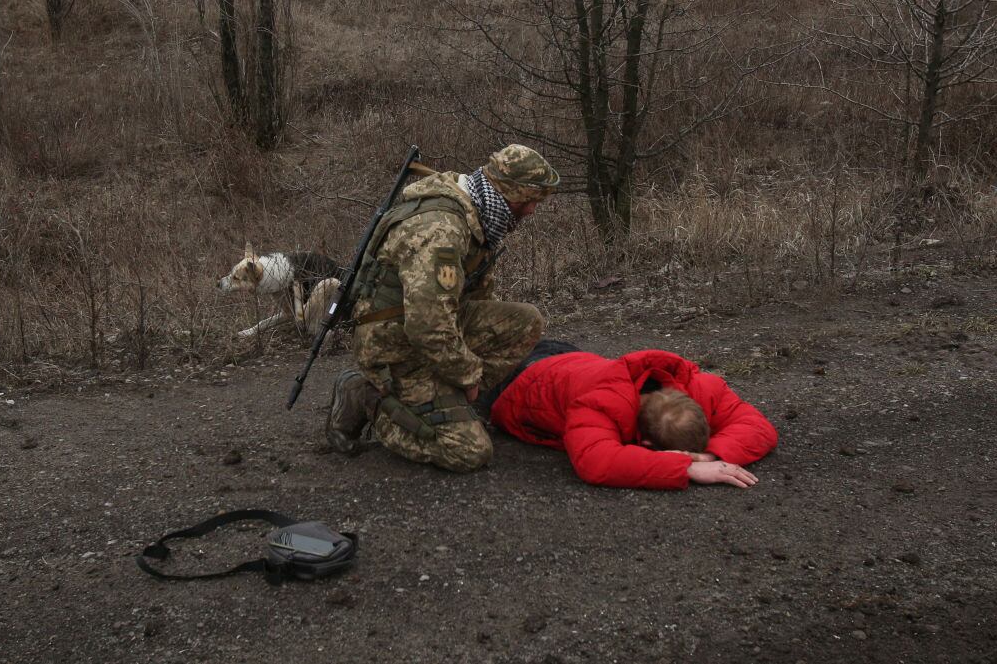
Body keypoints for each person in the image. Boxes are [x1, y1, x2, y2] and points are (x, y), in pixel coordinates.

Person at [323, 144, 560, 472]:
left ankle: (445, 400)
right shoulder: (442, 230)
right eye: (529, 200)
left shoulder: (477, 213)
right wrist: (467, 374)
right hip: (394, 346)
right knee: (468, 451)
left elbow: (473, 302)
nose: (532, 210)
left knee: (525, 322)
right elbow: (427, 324)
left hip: (421, 330)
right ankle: (366, 397)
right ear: (508, 192)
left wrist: (463, 370)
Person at [487, 342, 778, 490]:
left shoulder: (699, 387)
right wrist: (686, 468)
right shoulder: (600, 403)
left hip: (570, 358)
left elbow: (758, 427)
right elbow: (596, 461)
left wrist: (710, 455)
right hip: (516, 378)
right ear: (648, 445)